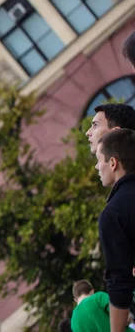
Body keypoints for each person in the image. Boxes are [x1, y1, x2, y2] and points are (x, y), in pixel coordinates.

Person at [96, 129, 135, 332]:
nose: (96, 167)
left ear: (113, 163)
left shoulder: (113, 214)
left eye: (98, 160)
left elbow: (119, 281)